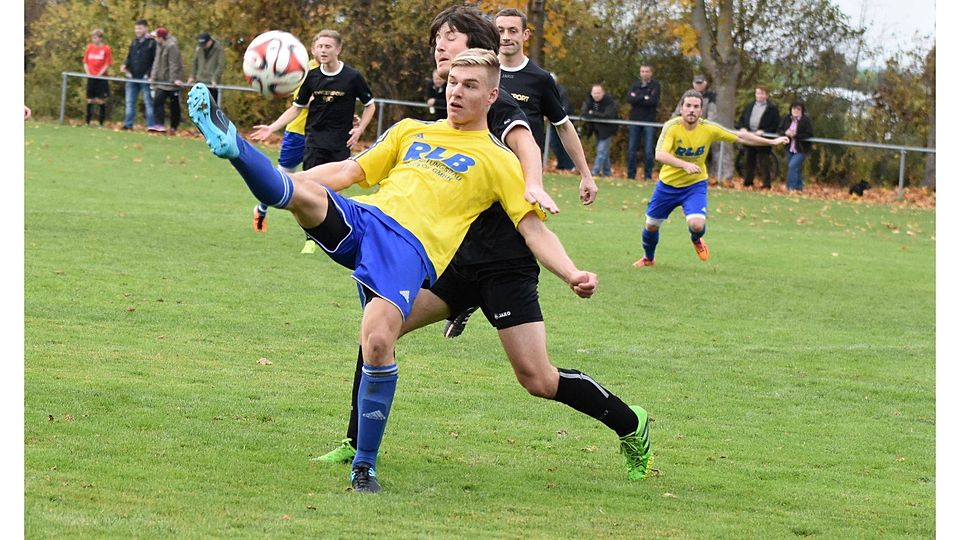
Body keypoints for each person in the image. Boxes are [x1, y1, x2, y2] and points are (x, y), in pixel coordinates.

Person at [188, 48, 607, 493]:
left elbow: (532, 230)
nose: (456, 93)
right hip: (368, 219)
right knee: (298, 195)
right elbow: (351, 171)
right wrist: (300, 179)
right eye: (452, 83)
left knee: (377, 340)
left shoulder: (498, 160)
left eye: (469, 86)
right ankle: (235, 146)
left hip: (408, 251)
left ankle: (363, 466)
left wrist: (571, 272)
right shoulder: (411, 131)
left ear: (492, 95)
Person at [314, 6, 651, 486]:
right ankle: (358, 444)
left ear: (478, 50)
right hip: (451, 259)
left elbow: (527, 143)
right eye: (437, 43)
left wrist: (535, 185)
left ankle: (629, 422)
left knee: (537, 379)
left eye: (448, 40)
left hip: (505, 264)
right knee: (378, 331)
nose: (440, 49)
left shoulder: (498, 104)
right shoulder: (448, 108)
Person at [249, 29, 376, 254]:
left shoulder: (352, 77)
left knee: (336, 192)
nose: (323, 50)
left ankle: (338, 235)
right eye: (320, 46)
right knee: (309, 191)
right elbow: (296, 109)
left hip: (340, 143)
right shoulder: (311, 77)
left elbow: (370, 105)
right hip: (314, 141)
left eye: (328, 46)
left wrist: (360, 130)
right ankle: (311, 239)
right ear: (314, 50)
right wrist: (272, 127)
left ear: (338, 49)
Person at [633, 90, 788, 268]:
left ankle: (697, 239)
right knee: (651, 226)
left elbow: (740, 136)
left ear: (701, 111)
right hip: (667, 186)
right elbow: (660, 155)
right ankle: (648, 258)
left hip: (694, 186)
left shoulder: (708, 128)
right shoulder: (671, 127)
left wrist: (771, 142)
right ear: (681, 108)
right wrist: (684, 165)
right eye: (688, 106)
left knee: (697, 225)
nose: (691, 110)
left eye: (696, 107)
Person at [494, 8, 596, 190]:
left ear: (525, 35)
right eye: (500, 31)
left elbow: (563, 126)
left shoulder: (540, 79)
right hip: (485, 169)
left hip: (524, 176)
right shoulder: (483, 71)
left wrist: (586, 175)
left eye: (513, 30)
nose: (506, 36)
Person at [673, 75, 718, 175]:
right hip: (684, 130)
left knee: (706, 154)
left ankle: (709, 175)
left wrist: (706, 128)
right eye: (696, 83)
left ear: (705, 83)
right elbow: (677, 112)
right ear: (693, 84)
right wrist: (671, 124)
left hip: (702, 130)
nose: (698, 85)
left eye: (700, 83)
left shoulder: (710, 96)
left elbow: (712, 114)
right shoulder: (687, 96)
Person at [737, 85, 780, 188]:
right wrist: (742, 127)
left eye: (761, 93)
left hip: (763, 139)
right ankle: (748, 182)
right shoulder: (750, 106)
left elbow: (775, 124)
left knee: (764, 162)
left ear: (766, 95)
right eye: (757, 93)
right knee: (748, 160)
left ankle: (766, 184)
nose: (759, 95)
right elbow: (742, 119)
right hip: (750, 137)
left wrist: (764, 131)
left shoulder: (772, 109)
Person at [625, 64, 661, 181]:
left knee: (648, 150)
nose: (644, 73)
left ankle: (648, 176)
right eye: (642, 71)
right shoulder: (635, 85)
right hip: (634, 121)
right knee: (631, 149)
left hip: (649, 122)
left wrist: (638, 97)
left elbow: (653, 101)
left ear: (651, 73)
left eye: (647, 71)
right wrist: (644, 97)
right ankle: (631, 175)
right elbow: (630, 99)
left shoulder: (655, 85)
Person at [119, 19, 156, 130]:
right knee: (129, 102)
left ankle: (151, 125)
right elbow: (129, 57)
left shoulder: (151, 43)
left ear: (145, 28)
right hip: (132, 76)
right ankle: (128, 124)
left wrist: (149, 74)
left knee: (148, 102)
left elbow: (155, 61)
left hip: (145, 78)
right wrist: (125, 65)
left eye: (140, 28)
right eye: (136, 28)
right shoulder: (134, 42)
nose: (137, 31)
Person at [149, 26, 184, 134]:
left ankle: (174, 126)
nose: (155, 39)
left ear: (161, 37)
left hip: (172, 81)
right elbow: (156, 62)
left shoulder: (172, 46)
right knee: (157, 102)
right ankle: (159, 124)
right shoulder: (159, 46)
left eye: (156, 37)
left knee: (174, 105)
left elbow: (174, 63)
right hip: (161, 81)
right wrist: (153, 76)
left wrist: (174, 79)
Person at [581, 84, 619, 177]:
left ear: (603, 93)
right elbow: (584, 113)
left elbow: (608, 115)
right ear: (591, 93)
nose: (596, 95)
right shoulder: (589, 100)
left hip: (607, 130)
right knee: (603, 152)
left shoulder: (609, 101)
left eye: (598, 93)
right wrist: (594, 114)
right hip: (597, 130)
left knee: (601, 151)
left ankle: (595, 172)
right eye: (594, 93)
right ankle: (607, 173)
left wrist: (593, 113)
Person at [778, 101, 814, 191]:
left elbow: (809, 134)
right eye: (794, 108)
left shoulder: (805, 121)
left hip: (801, 149)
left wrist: (796, 135)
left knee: (792, 166)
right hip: (789, 148)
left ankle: (791, 187)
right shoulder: (787, 118)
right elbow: (779, 130)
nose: (796, 110)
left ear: (802, 110)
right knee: (795, 168)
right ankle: (799, 187)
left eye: (798, 109)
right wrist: (785, 133)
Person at [82, 29, 112, 126]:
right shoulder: (89, 48)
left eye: (95, 38)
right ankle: (87, 122)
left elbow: (107, 64)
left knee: (101, 100)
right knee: (90, 99)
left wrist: (99, 74)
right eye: (92, 38)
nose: (93, 40)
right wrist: (88, 73)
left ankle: (101, 123)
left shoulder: (106, 49)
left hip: (101, 78)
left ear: (100, 38)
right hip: (91, 76)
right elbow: (85, 62)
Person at [187, 32, 225, 102]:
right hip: (200, 81)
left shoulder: (219, 49)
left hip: (211, 84)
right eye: (201, 45)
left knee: (211, 106)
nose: (203, 46)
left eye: (205, 44)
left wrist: (215, 79)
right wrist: (192, 76)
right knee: (197, 104)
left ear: (210, 41)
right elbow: (195, 62)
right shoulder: (200, 48)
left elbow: (221, 65)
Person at [548, 73, 574, 170]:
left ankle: (569, 165)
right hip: (552, 122)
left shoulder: (562, 91)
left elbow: (564, 107)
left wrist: (551, 114)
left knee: (565, 143)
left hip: (562, 122)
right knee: (554, 144)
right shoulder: (547, 89)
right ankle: (562, 163)